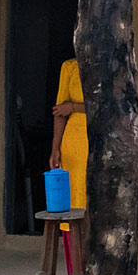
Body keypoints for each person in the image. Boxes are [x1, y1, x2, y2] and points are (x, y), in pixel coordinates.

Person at [48, 56, 86, 224]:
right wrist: (55, 148)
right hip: (73, 143)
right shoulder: (70, 67)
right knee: (73, 193)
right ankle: (72, 246)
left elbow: (111, 105)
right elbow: (59, 111)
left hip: (101, 139)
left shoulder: (111, 64)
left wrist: (73, 107)